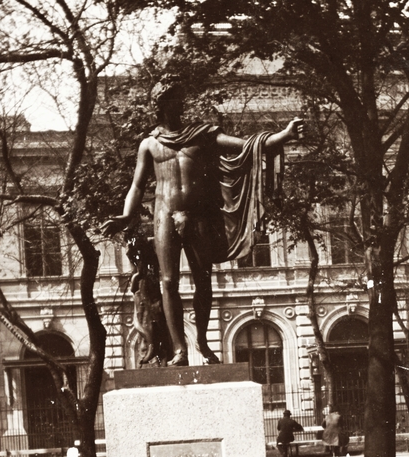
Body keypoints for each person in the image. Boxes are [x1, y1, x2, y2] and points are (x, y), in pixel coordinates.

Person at [107, 84, 304, 365]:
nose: (181, 106)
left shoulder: (202, 135)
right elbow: (137, 186)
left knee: (203, 280)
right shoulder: (149, 145)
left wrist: (283, 136)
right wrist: (127, 215)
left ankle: (201, 341)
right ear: (161, 106)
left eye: (181, 100)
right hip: (165, 214)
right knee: (168, 282)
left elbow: (247, 146)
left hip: (198, 216)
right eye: (174, 101)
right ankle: (179, 350)